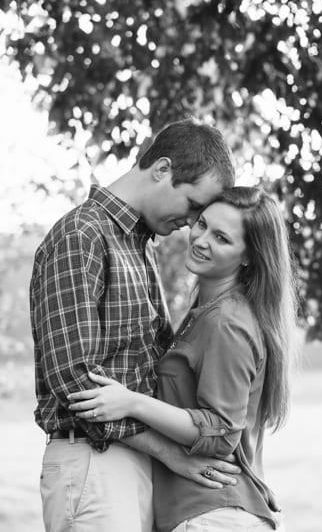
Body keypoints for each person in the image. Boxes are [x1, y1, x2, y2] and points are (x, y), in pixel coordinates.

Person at [30, 118, 244, 532]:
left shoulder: (137, 246)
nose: (192, 222)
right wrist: (170, 453)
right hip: (94, 461)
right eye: (194, 205)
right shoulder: (82, 235)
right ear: (162, 170)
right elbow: (76, 380)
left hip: (131, 464)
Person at [67, 187, 298, 532]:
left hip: (213, 516)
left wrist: (132, 403)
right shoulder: (207, 314)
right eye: (202, 224)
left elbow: (221, 434)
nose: (201, 240)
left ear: (248, 256)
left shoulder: (226, 323)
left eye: (221, 238)